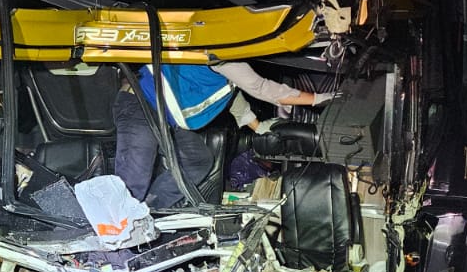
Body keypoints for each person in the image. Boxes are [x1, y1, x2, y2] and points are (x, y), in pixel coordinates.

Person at [113, 60, 337, 206]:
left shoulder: (228, 64)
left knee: (197, 159)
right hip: (140, 105)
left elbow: (231, 97)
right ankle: (112, 236)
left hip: (165, 118)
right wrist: (318, 99)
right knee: (134, 179)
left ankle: (150, 209)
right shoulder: (223, 52)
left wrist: (257, 127)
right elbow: (262, 88)